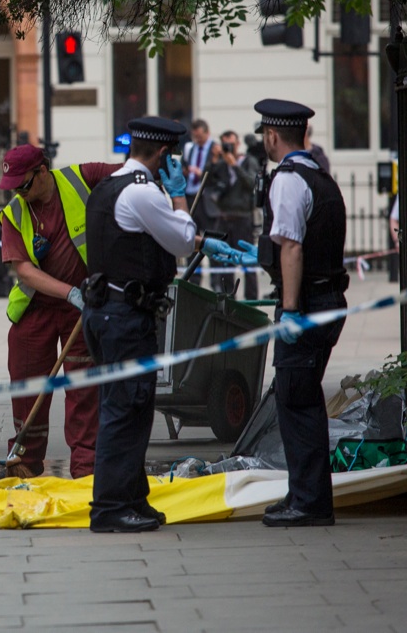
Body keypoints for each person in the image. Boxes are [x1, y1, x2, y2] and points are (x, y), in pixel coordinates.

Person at [81, 117, 200, 533]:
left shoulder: (106, 187)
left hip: (105, 312)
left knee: (130, 407)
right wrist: (181, 195)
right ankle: (111, 507)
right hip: (124, 317)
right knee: (125, 410)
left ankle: (132, 498)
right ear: (164, 155)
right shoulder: (143, 192)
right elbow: (184, 241)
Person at [0, 144, 122, 481]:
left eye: (24, 184)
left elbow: (129, 174)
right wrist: (70, 293)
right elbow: (23, 270)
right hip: (37, 309)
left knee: (83, 390)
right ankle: (24, 461)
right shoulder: (14, 213)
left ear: (43, 170)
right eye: (14, 188)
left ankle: (86, 469)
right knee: (27, 387)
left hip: (80, 312)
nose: (19, 193)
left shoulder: (82, 178)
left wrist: (156, 171)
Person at [253, 99, 349, 527]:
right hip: (326, 300)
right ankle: (303, 492)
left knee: (297, 400)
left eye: (264, 136)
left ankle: (309, 502)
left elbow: (291, 245)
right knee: (301, 396)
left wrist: (289, 310)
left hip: (306, 304)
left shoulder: (287, 181)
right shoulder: (321, 178)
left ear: (273, 136)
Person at [213, 130, 263, 299]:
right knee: (225, 264)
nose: (229, 148)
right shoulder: (220, 164)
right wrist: (215, 159)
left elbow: (251, 184)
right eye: (225, 145)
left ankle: (251, 303)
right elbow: (208, 183)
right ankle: (228, 302)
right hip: (224, 218)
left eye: (231, 144)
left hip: (243, 218)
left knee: (248, 264)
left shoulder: (248, 161)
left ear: (238, 144)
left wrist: (235, 165)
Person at [181, 119, 216, 285]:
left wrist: (201, 172)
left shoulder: (215, 149)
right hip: (191, 196)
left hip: (206, 198)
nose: (198, 140)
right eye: (195, 137)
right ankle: (193, 279)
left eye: (200, 137)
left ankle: (217, 280)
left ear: (207, 133)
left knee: (211, 239)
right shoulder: (190, 148)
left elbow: (217, 172)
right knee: (192, 238)